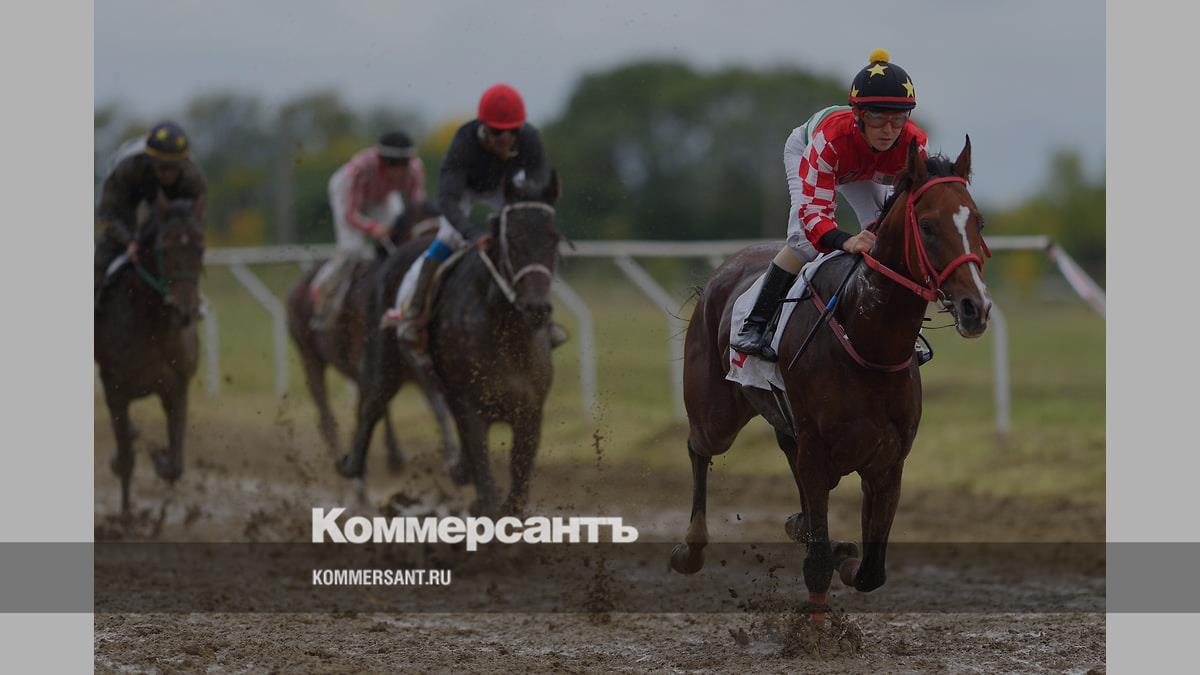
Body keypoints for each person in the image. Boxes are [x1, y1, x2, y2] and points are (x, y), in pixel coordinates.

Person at [732, 48, 934, 364]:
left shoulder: (915, 145)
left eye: (898, 119)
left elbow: (913, 209)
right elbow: (813, 216)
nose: (888, 130)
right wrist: (846, 241)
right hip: (811, 153)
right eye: (878, 118)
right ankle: (755, 323)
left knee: (887, 239)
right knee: (802, 241)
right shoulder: (829, 141)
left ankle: (902, 332)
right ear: (859, 115)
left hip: (862, 166)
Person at [391, 83, 567, 348]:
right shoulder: (464, 142)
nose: (505, 138)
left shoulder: (530, 138)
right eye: (497, 131)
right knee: (448, 238)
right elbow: (448, 200)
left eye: (512, 131)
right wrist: (473, 234)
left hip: (508, 189)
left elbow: (536, 190)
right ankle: (415, 312)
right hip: (467, 190)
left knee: (528, 239)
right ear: (484, 126)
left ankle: (544, 317)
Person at [309, 131, 428, 330]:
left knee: (402, 246)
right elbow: (349, 213)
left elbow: (417, 208)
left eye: (404, 165)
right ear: (382, 161)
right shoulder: (359, 170)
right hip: (348, 194)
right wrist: (373, 227)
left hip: (382, 196)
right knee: (353, 249)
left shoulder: (415, 170)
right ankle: (323, 291)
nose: (399, 172)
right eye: (393, 165)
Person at [94, 121, 207, 308]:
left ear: (182, 164)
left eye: (173, 168)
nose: (167, 174)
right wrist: (129, 242)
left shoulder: (192, 179)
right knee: (101, 258)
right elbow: (107, 216)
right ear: (150, 160)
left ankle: (191, 303)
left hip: (170, 206)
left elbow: (196, 220)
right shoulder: (127, 169)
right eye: (162, 167)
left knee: (182, 249)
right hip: (126, 200)